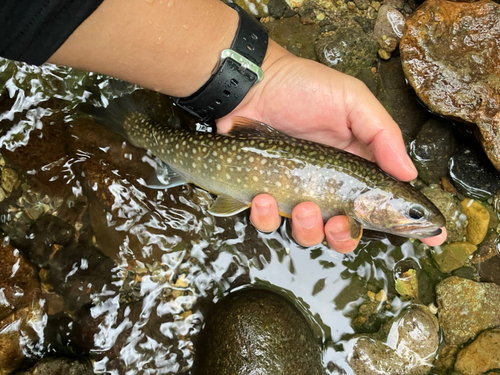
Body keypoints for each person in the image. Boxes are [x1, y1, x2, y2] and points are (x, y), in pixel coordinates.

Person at [0, 0, 446, 252]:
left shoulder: (356, 210)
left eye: (415, 216)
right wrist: (258, 79)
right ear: (372, 200)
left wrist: (263, 75)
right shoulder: (357, 208)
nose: (416, 222)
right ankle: (126, 124)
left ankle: (121, 122)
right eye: (414, 213)